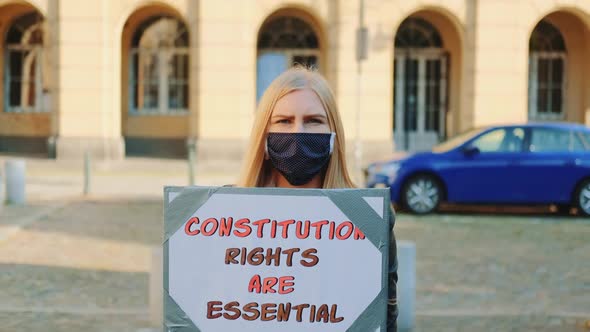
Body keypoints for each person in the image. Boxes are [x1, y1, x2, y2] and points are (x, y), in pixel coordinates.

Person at [236, 66, 398, 330]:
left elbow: (385, 316)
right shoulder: (227, 216)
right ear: (263, 139)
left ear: (334, 136)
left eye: (313, 121)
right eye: (283, 121)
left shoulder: (370, 218)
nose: (298, 132)